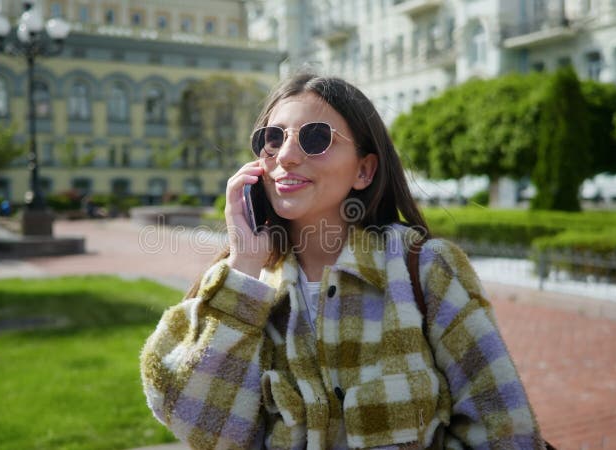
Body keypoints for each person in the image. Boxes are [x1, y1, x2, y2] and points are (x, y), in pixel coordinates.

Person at [140, 73, 546, 449]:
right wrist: (245, 262)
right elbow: (204, 427)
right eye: (273, 138)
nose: (287, 156)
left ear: (365, 170)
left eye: (315, 138)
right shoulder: (243, 289)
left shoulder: (425, 269)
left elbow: (505, 429)